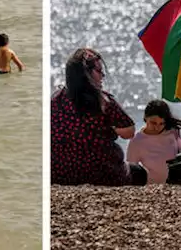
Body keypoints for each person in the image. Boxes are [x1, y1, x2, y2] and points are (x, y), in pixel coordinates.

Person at [50, 48, 143, 186]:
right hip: (102, 174)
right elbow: (129, 131)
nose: (103, 76)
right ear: (86, 74)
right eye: (99, 71)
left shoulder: (55, 101)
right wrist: (112, 129)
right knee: (139, 173)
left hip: (59, 174)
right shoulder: (103, 101)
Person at [127, 100, 181, 184]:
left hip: (176, 184)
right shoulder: (136, 141)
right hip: (152, 187)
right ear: (146, 117)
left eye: (161, 123)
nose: (157, 127)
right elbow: (131, 171)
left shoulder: (172, 131)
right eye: (153, 123)